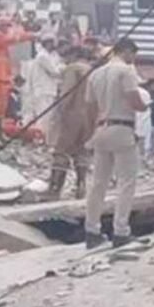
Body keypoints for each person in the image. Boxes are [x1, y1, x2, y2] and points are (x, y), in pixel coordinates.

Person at [84, 39, 148, 249]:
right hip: (122, 127)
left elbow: (90, 107)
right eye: (133, 54)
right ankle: (121, 230)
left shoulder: (95, 74)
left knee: (98, 183)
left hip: (101, 128)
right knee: (126, 182)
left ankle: (92, 230)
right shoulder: (125, 71)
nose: (133, 59)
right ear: (126, 51)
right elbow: (134, 100)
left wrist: (93, 130)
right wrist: (144, 105)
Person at [49, 47, 93, 200]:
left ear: (74, 55)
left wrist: (59, 114)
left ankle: (55, 189)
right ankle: (81, 186)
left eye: (66, 56)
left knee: (61, 151)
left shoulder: (73, 69)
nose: (65, 60)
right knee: (81, 152)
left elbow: (67, 94)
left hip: (72, 115)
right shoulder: (93, 70)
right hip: (89, 117)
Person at [0, 15, 35, 141]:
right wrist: (26, 33)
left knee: (1, 108)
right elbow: (13, 38)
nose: (8, 28)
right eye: (7, 26)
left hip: (2, 76)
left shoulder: (1, 40)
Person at [31, 34, 63, 145]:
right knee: (43, 116)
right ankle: (39, 138)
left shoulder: (50, 56)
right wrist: (62, 66)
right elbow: (55, 72)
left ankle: (44, 139)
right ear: (47, 43)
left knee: (48, 117)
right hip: (43, 90)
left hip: (48, 90)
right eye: (52, 43)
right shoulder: (42, 56)